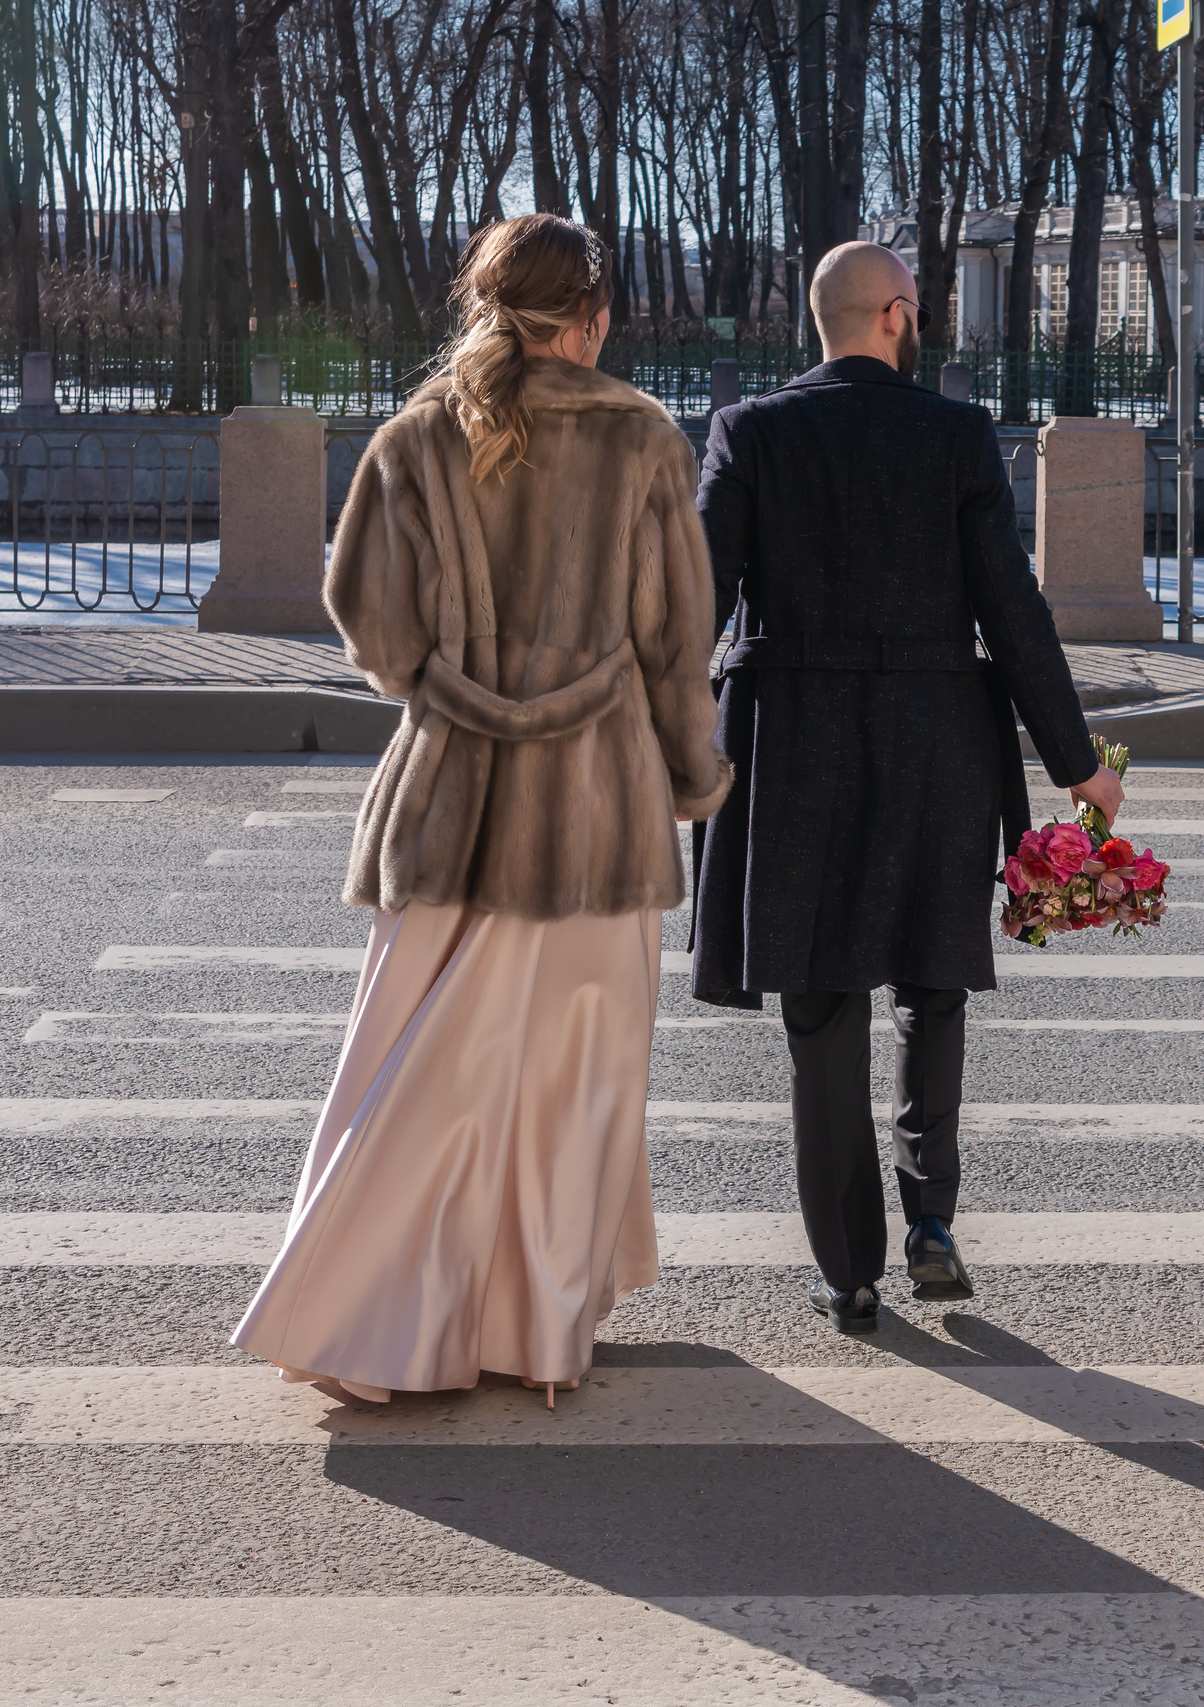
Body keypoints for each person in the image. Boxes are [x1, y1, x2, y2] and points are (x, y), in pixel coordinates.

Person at [232, 213, 733, 1406]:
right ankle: (534, 1331)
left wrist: (449, 684)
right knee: (573, 1086)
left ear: (483, 303)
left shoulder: (414, 437)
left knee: (410, 1070)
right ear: (594, 315)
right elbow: (674, 643)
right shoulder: (643, 440)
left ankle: (364, 1315)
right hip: (594, 810)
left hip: (451, 798)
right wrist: (691, 774)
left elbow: (369, 623)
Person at [690, 240, 1124, 1334]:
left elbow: (692, 604)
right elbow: (1009, 611)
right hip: (937, 743)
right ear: (894, 315)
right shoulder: (954, 434)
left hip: (791, 745)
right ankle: (932, 1219)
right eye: (914, 307)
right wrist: (1076, 765)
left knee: (821, 1001)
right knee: (931, 983)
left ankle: (849, 1270)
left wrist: (648, 738)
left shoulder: (753, 430)